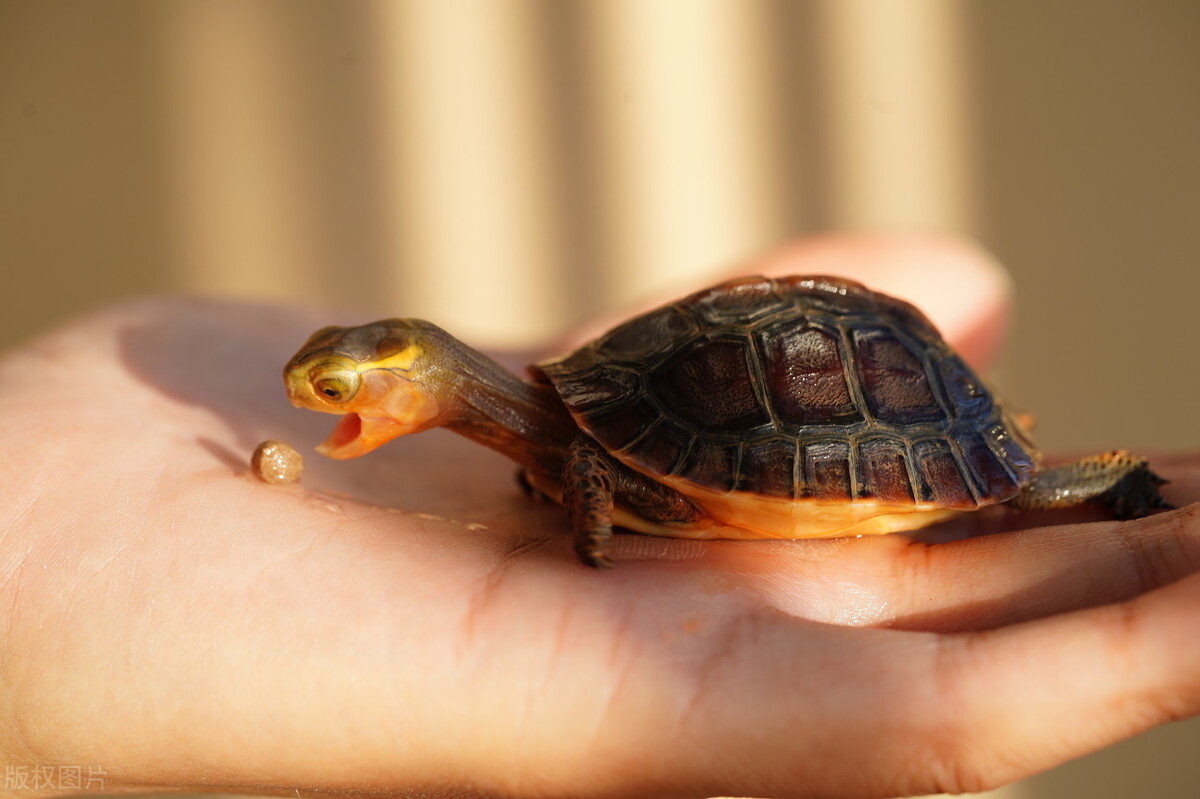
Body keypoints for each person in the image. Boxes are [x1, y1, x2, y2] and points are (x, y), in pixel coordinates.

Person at [0, 236, 1195, 798]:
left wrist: (592, 508)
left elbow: (589, 477)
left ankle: (1116, 486)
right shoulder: (559, 423)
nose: (323, 399)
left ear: (422, 381)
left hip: (888, 404)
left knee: (998, 496)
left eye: (350, 383)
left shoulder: (580, 439)